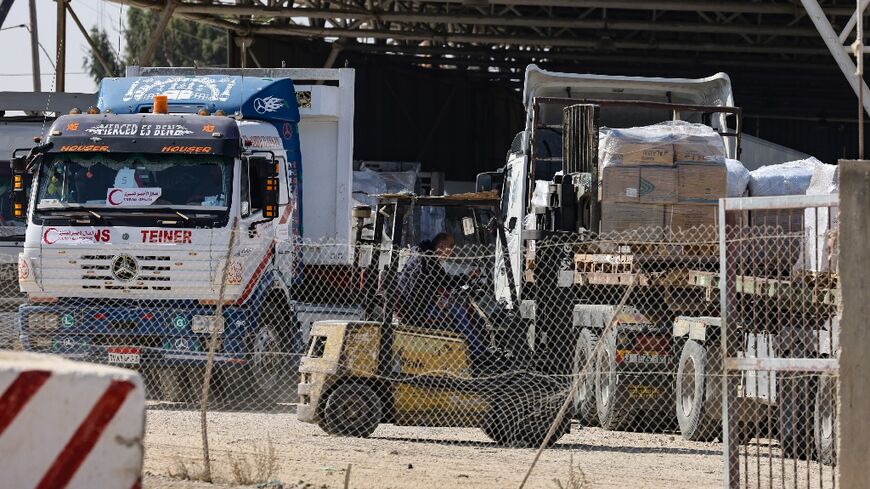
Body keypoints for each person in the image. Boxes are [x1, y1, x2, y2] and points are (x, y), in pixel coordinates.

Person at [396, 232, 485, 358]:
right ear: (442, 246)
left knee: (454, 309)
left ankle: (475, 348)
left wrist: (437, 295)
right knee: (458, 312)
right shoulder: (427, 258)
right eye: (451, 246)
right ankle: (477, 352)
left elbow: (433, 281)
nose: (452, 252)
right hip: (416, 308)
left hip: (415, 303)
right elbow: (443, 280)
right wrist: (466, 277)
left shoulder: (424, 254)